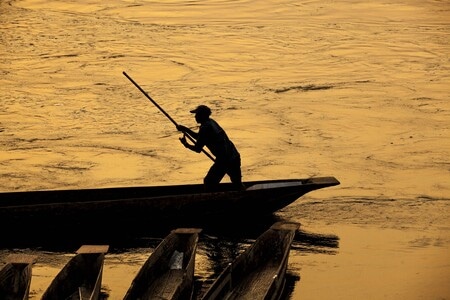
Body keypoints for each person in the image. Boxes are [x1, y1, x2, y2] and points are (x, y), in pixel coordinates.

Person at [176, 105, 244, 191]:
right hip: (234, 156)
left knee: (209, 182)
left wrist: (186, 145)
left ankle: (213, 200)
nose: (195, 117)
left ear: (202, 115)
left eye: (197, 114)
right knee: (237, 183)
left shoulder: (205, 128)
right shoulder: (210, 122)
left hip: (224, 160)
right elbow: (200, 137)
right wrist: (185, 129)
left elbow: (198, 149)